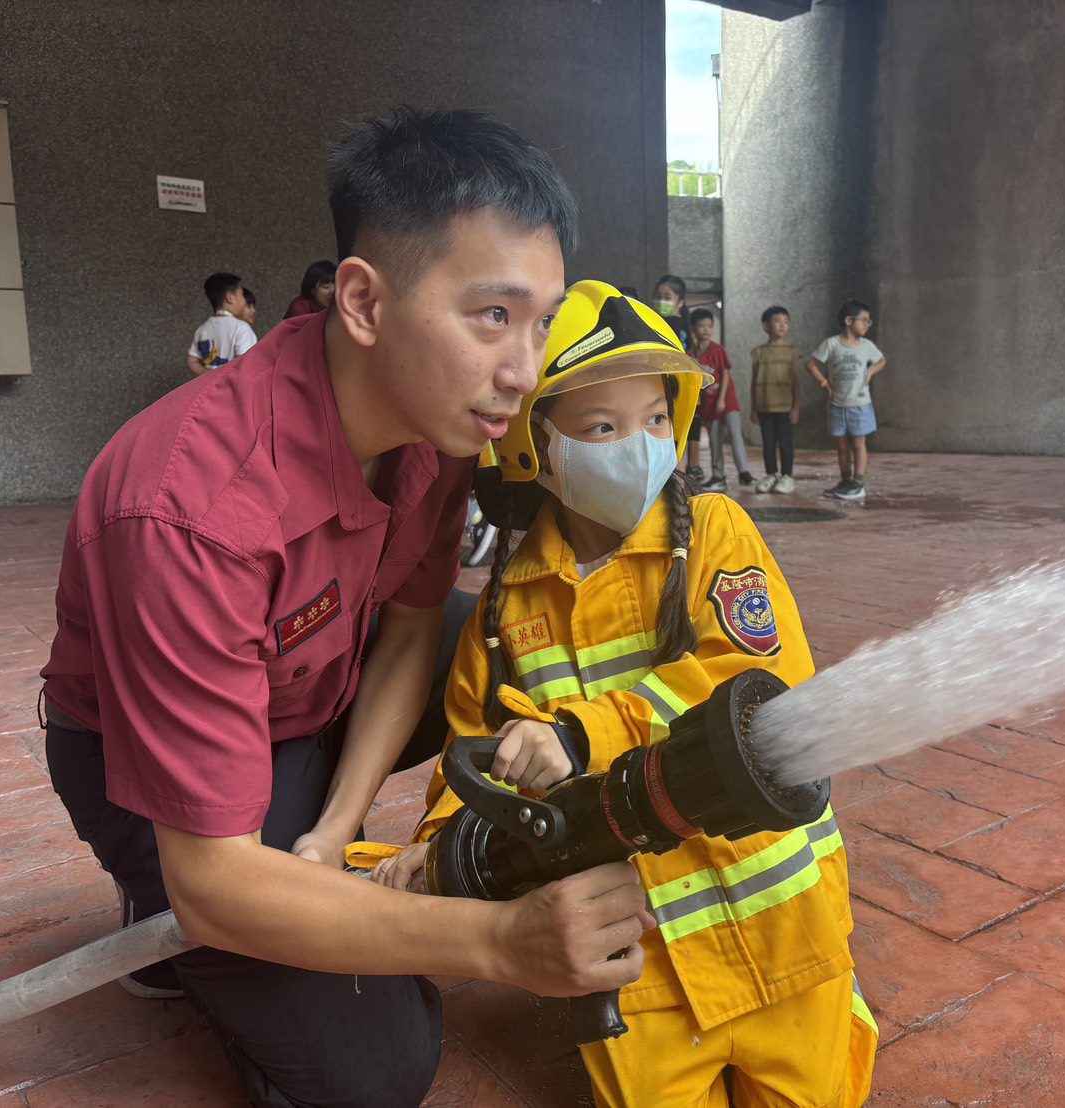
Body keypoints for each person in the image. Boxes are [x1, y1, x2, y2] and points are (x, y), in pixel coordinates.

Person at [39, 109, 651, 1107]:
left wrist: (335, 829)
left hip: (319, 684)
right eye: (491, 316)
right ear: (363, 301)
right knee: (375, 1070)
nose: (524, 370)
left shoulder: (440, 430)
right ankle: (165, 909)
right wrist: (500, 942)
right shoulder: (189, 508)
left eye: (540, 322)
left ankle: (274, 871)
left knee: (511, 648)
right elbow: (220, 879)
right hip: (143, 764)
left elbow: (408, 627)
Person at [373, 281, 877, 1108]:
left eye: (654, 419)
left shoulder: (713, 535)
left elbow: (757, 684)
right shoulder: (503, 616)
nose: (637, 446)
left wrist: (581, 735)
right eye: (602, 427)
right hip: (633, 974)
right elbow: (469, 767)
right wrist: (439, 854)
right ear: (533, 445)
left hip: (786, 935)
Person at [806, 299, 887, 502]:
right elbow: (811, 365)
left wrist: (870, 372)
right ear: (849, 321)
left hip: (859, 405)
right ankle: (846, 481)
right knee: (842, 446)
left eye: (869, 321)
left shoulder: (867, 346)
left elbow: (882, 360)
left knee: (859, 444)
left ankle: (858, 484)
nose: (867, 324)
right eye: (864, 320)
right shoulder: (831, 344)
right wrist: (825, 383)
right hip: (837, 405)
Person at [688, 307, 752, 491]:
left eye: (710, 326)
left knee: (734, 433)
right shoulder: (691, 356)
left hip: (727, 402)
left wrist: (722, 399)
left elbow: (725, 374)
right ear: (694, 329)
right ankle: (718, 476)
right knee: (715, 441)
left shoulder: (717, 350)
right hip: (708, 406)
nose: (706, 330)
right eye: (702, 326)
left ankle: (744, 472)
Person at [650, 274, 702, 480]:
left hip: (671, 386)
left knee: (670, 439)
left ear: (680, 302)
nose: (661, 301)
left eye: (667, 297)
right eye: (657, 296)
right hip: (676, 385)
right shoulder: (680, 324)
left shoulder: (671, 323)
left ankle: (676, 484)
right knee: (674, 440)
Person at [749, 305, 802, 494]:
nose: (782, 325)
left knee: (786, 444)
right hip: (764, 407)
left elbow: (796, 382)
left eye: (786, 322)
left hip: (785, 407)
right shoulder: (758, 352)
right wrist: (753, 408)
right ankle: (771, 474)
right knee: (768, 444)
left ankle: (787, 476)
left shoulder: (792, 352)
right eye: (777, 321)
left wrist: (796, 407)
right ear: (766, 326)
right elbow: (754, 381)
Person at [184, 272, 258, 377]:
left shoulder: (202, 329)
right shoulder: (241, 328)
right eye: (241, 294)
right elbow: (247, 364)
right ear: (230, 298)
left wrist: (207, 375)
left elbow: (191, 359)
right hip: (232, 386)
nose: (244, 300)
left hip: (209, 386)